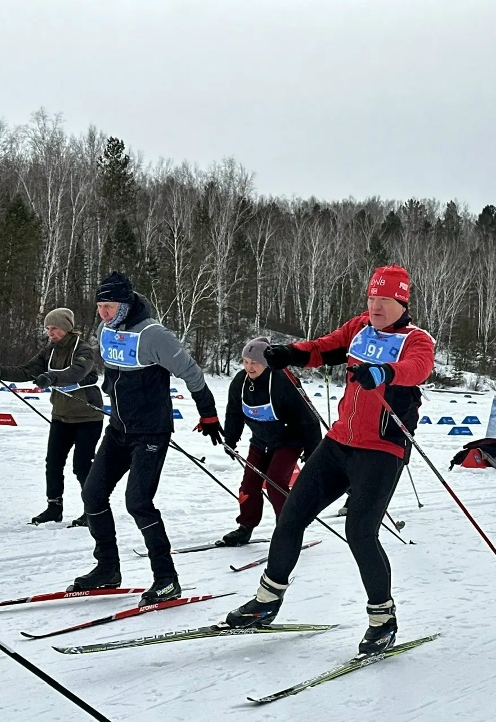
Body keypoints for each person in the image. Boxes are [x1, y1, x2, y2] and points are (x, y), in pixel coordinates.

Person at [224, 265, 435, 655]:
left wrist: (384, 372)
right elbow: (322, 348)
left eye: (384, 300)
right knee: (291, 517)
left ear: (401, 302)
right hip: (339, 443)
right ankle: (266, 602)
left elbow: (417, 369)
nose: (375, 306)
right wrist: (287, 353)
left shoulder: (416, 339)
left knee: (360, 532)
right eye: (371, 298)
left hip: (382, 451)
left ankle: (382, 620)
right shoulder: (359, 328)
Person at [69, 272, 223, 606]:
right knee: (92, 493)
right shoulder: (106, 330)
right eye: (99, 307)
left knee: (138, 502)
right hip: (119, 429)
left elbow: (192, 373)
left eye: (108, 307)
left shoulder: (154, 335)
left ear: (123, 304)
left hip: (151, 432)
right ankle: (107, 568)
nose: (103, 314)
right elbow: (110, 371)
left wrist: (208, 414)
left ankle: (166, 580)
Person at [0, 307, 104, 527]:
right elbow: (27, 370)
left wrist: (51, 377)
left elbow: (76, 373)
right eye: (48, 328)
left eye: (55, 328)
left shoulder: (84, 350)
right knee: (53, 463)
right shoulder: (49, 351)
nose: (51, 333)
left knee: (82, 465)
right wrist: (2, 372)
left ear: (67, 328)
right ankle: (54, 508)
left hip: (88, 417)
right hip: (61, 416)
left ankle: (93, 510)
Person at [219, 337, 321, 546]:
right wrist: (230, 438)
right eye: (246, 361)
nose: (249, 367)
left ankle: (287, 529)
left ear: (265, 363)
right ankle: (245, 527)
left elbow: (308, 419)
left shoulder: (283, 381)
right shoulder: (240, 382)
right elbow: (234, 412)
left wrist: (313, 451)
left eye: (254, 362)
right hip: (260, 440)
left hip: (288, 440)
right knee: (248, 486)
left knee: (275, 483)